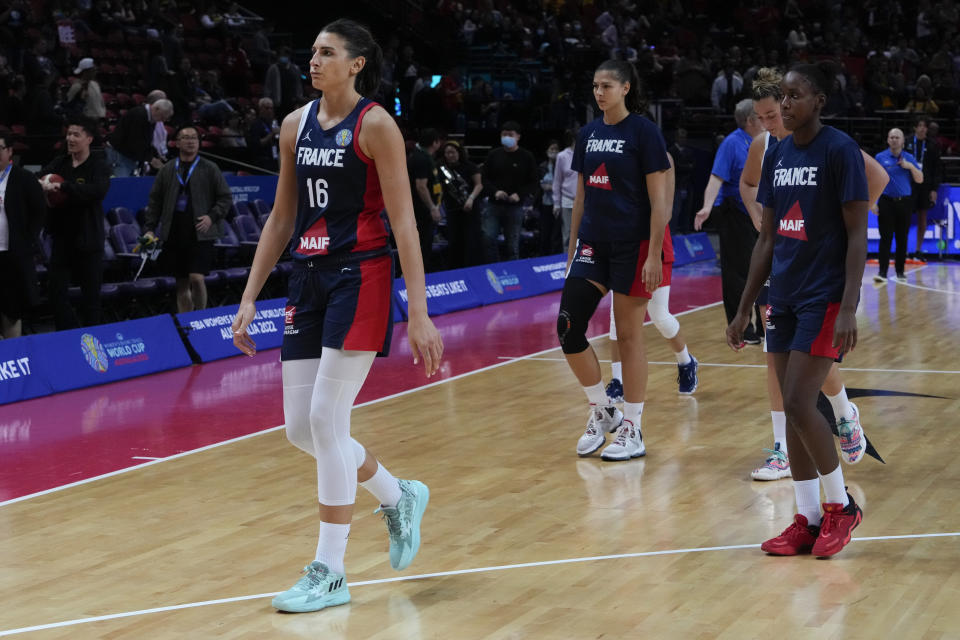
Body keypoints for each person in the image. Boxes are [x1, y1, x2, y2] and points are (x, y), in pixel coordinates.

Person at [230, 18, 443, 613]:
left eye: (328, 53)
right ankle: (397, 493)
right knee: (302, 429)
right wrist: (249, 296)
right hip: (307, 277)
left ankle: (331, 570)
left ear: (356, 65)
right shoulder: (294, 125)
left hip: (363, 276)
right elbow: (280, 217)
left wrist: (419, 313)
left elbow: (406, 223)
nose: (315, 61)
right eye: (313, 52)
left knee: (326, 418)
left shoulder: (376, 125)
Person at [727, 62, 868, 557]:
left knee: (799, 402)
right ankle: (807, 517)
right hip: (782, 295)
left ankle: (841, 506)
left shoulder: (840, 151)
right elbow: (766, 236)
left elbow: (856, 234)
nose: (785, 105)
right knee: (790, 411)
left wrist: (849, 305)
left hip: (825, 295)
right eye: (782, 97)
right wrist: (745, 305)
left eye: (795, 96)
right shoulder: (778, 153)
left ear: (819, 101)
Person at [739, 67, 888, 481]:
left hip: (818, 268)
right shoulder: (766, 147)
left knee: (808, 364)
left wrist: (834, 224)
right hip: (780, 260)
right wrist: (760, 217)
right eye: (764, 117)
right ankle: (783, 448)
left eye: (774, 113)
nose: (771, 122)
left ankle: (843, 413)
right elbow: (748, 186)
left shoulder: (832, 147)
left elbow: (878, 179)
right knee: (776, 357)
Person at [558, 59, 670, 461]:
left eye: (606, 85)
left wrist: (655, 252)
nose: (599, 92)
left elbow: (659, 201)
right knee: (568, 327)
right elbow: (582, 197)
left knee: (627, 337)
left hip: (633, 246)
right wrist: (572, 247)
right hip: (593, 245)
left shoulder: (644, 132)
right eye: (594, 85)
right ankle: (603, 409)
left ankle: (633, 429)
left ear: (625, 88)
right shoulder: (587, 134)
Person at [605, 154, 699, 403]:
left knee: (659, 314)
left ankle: (686, 362)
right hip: (624, 245)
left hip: (655, 245)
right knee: (617, 317)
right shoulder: (617, 156)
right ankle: (618, 381)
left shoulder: (663, 158)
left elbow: (664, 210)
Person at [695, 99, 765, 344]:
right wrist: (706, 207)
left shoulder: (766, 140)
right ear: (749, 121)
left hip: (760, 214)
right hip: (735, 214)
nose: (765, 119)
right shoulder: (732, 143)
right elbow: (716, 178)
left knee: (764, 270)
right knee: (739, 273)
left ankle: (766, 327)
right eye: (760, 116)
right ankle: (743, 329)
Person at [142, 125, 232, 312]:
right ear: (176, 143)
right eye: (186, 137)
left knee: (197, 278)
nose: (191, 141)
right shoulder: (167, 170)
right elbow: (155, 201)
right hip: (174, 232)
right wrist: (150, 228)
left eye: (194, 138)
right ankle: (186, 322)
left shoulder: (210, 168)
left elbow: (225, 198)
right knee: (182, 283)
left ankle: (200, 317)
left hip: (200, 232)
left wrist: (211, 216)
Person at [40, 116, 110, 330]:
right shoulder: (60, 163)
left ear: (88, 138)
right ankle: (68, 336)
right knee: (56, 294)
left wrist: (64, 188)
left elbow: (97, 191)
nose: (70, 138)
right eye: (68, 134)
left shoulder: (98, 164)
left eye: (76, 134)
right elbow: (40, 178)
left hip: (89, 241)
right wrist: (41, 184)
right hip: (62, 239)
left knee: (91, 299)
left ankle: (93, 344)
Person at [0, 132, 46, 338]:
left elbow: (39, 213)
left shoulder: (24, 179)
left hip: (12, 255)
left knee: (11, 310)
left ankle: (12, 355)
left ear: (10, 151)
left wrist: (28, 242)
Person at [480, 120, 538, 263]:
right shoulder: (494, 155)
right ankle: (493, 268)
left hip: (515, 207)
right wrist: (495, 192)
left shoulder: (526, 156)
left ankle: (514, 273)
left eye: (510, 135)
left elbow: (534, 182)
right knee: (488, 238)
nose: (506, 137)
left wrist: (520, 194)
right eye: (504, 134)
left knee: (512, 243)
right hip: (494, 204)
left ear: (518, 136)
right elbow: (484, 179)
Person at [874, 128, 923, 283]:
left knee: (902, 238)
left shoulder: (909, 158)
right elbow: (872, 180)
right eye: (891, 137)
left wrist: (910, 167)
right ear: (888, 140)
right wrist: (873, 203)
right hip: (886, 202)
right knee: (885, 238)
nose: (894, 139)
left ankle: (900, 272)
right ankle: (882, 273)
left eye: (897, 137)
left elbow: (920, 179)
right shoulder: (880, 157)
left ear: (903, 141)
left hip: (904, 203)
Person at [437, 140, 483, 269]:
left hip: (470, 208)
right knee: (455, 241)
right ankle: (455, 269)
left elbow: (479, 185)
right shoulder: (441, 168)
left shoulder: (470, 166)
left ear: (459, 152)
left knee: (471, 240)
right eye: (447, 153)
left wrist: (471, 198)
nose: (450, 155)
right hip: (453, 210)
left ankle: (471, 268)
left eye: (452, 152)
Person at [107, 98, 174, 176]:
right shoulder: (139, 115)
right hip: (120, 155)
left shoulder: (151, 119)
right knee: (122, 184)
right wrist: (151, 159)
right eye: (162, 117)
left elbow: (146, 141)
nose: (162, 121)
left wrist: (155, 155)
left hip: (129, 156)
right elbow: (135, 142)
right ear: (156, 109)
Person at [904, 116, 941, 260]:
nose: (922, 128)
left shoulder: (932, 145)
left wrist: (934, 189)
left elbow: (937, 169)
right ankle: (904, 250)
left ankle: (918, 250)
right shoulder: (906, 142)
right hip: (908, 185)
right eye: (919, 125)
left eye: (924, 126)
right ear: (914, 128)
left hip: (925, 186)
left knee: (922, 218)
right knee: (905, 218)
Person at [406, 128, 443, 271]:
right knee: (422, 244)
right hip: (420, 210)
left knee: (425, 243)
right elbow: (421, 187)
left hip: (422, 209)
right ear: (435, 143)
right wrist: (432, 208)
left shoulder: (423, 156)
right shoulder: (420, 158)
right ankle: (420, 275)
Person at [552, 129, 577, 257]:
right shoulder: (562, 156)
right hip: (567, 200)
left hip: (584, 201)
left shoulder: (587, 154)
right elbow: (557, 181)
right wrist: (556, 203)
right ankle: (566, 262)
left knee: (585, 234)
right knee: (568, 234)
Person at [667, 128, 696, 233]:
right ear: (676, 138)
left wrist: (685, 167)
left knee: (687, 211)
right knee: (675, 211)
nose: (683, 139)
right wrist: (686, 167)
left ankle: (686, 233)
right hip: (676, 185)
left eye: (685, 137)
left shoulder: (690, 151)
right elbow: (676, 167)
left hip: (687, 184)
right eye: (681, 137)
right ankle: (672, 234)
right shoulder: (671, 151)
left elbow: (693, 166)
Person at [538, 139, 561, 255]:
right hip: (546, 204)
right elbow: (543, 186)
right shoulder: (542, 166)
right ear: (546, 151)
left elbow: (564, 185)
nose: (554, 151)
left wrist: (553, 186)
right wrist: (555, 186)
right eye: (551, 149)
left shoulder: (563, 165)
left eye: (556, 149)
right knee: (545, 233)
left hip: (559, 205)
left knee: (556, 235)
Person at [246, 97, 280, 171]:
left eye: (271, 108)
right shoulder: (256, 124)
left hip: (274, 160)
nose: (270, 110)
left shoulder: (272, 123)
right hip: (261, 163)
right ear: (260, 109)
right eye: (267, 108)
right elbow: (257, 144)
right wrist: (272, 134)